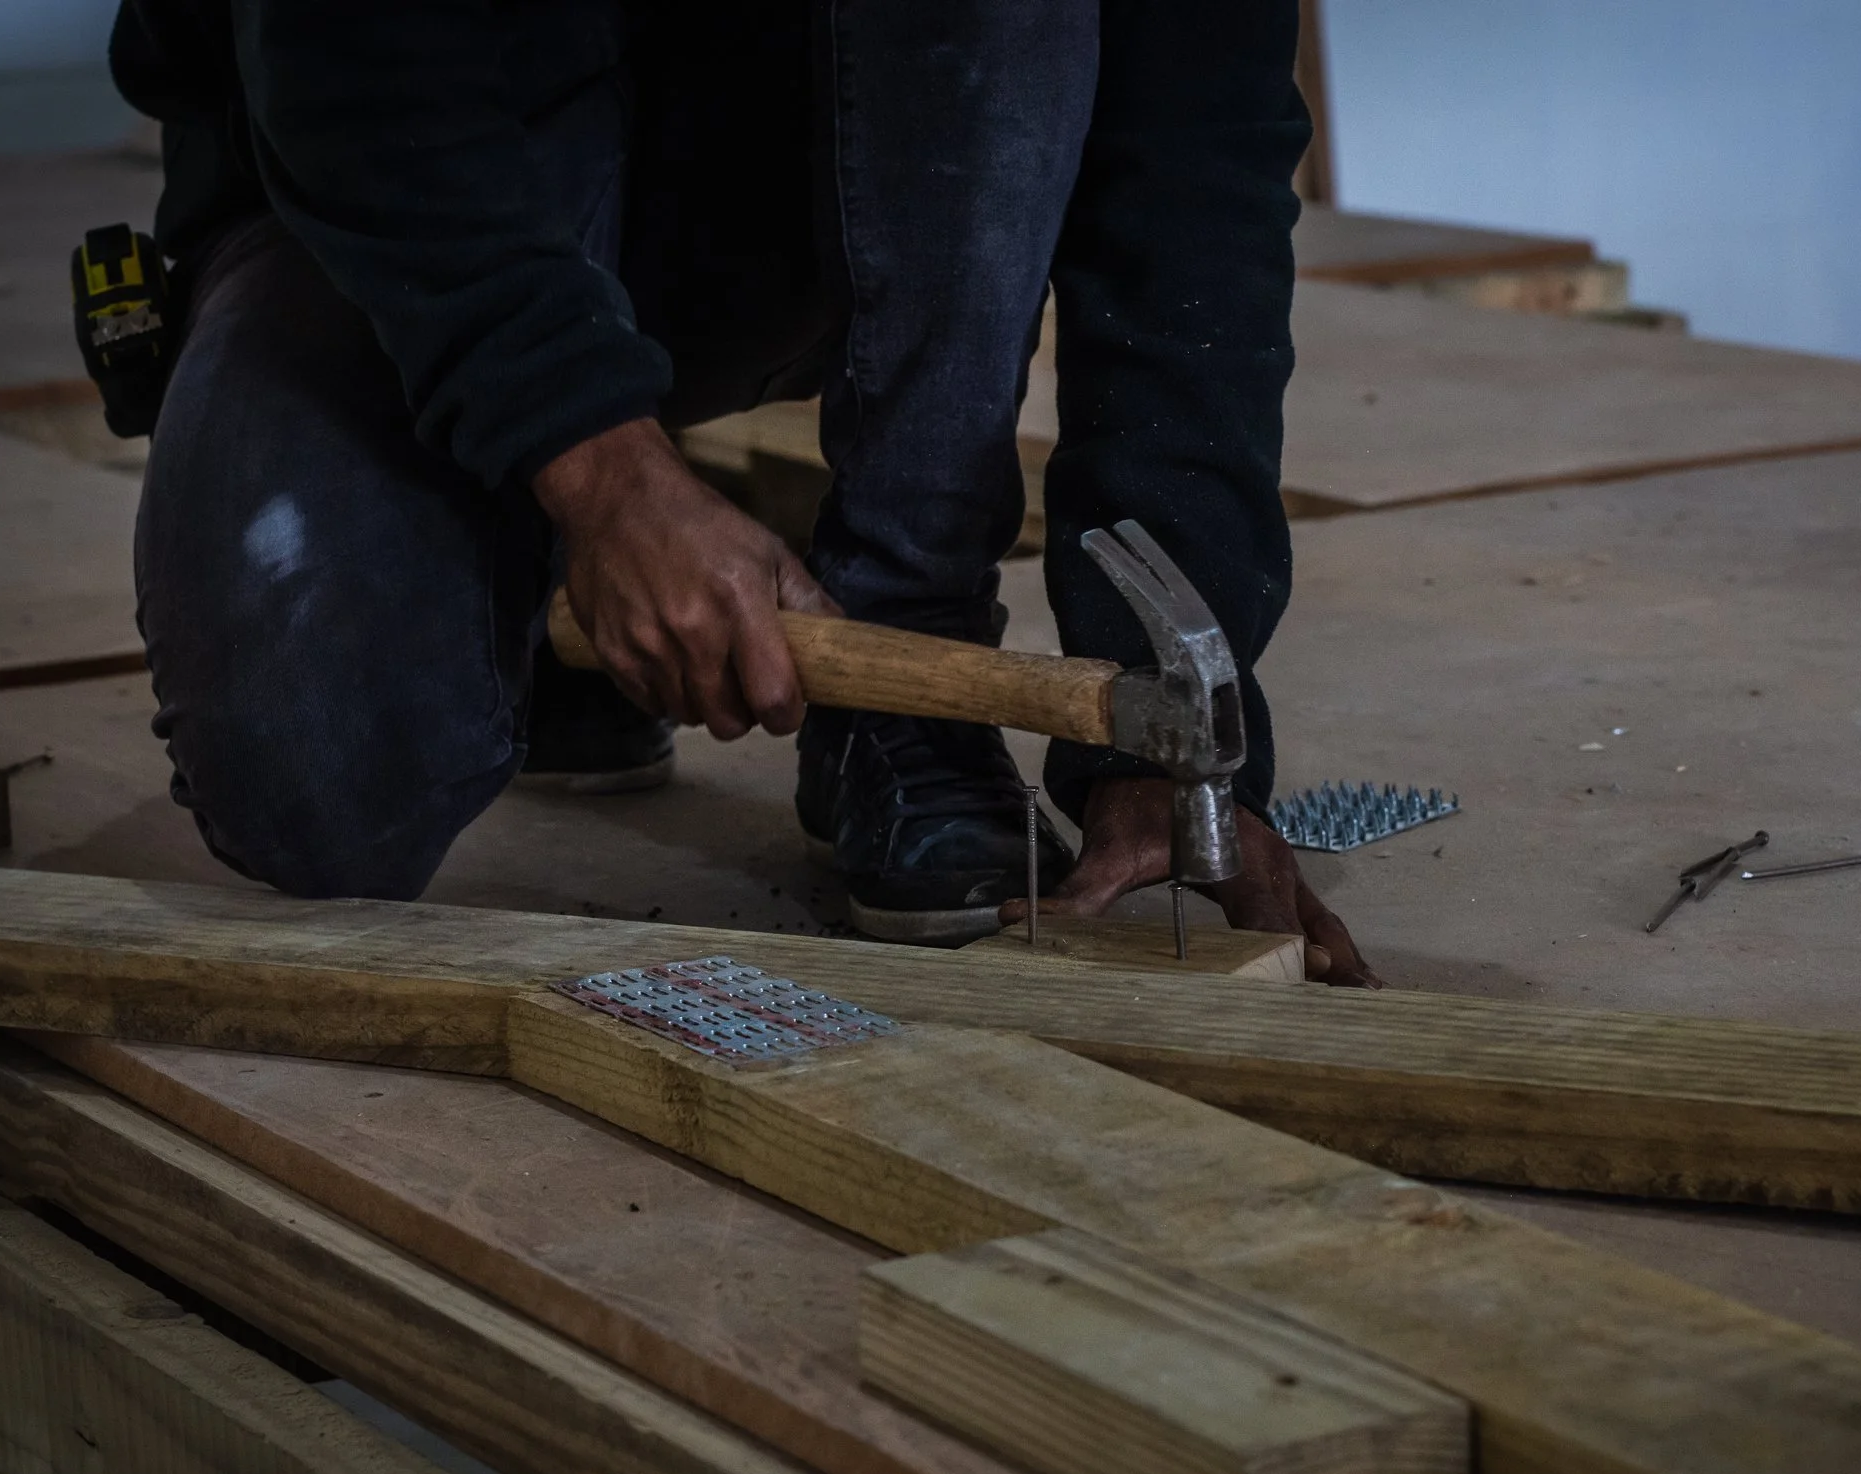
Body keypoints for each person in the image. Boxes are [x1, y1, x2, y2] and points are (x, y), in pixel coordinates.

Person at [108, 0, 1376, 985]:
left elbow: (1192, 158)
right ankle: (526, 537)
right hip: (397, 185)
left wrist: (1156, 734)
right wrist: (589, 461)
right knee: (313, 771)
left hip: (821, 178)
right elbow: (349, 53)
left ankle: (904, 653)